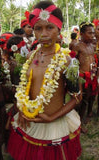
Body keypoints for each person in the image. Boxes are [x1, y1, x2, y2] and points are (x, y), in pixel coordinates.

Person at [7, 1, 82, 160]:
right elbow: (24, 87)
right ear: (33, 30)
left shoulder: (67, 61)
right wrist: (21, 109)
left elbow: (77, 97)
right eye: (38, 28)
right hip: (29, 121)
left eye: (50, 27)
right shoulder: (29, 56)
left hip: (54, 123)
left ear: (59, 29)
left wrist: (51, 117)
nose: (44, 34)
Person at [75, 22, 97, 127]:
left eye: (93, 33)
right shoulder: (77, 46)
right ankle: (75, 122)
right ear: (82, 34)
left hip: (91, 76)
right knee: (78, 101)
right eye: (90, 33)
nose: (92, 35)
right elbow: (72, 62)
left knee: (86, 99)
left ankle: (80, 122)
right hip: (81, 77)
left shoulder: (92, 46)